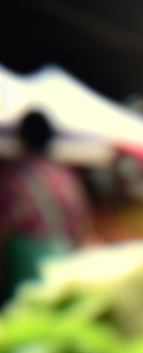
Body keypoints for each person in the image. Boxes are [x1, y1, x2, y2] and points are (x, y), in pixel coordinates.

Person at [0, 111, 92, 301]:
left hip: (24, 268)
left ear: (22, 139)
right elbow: (82, 226)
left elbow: (4, 227)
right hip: (62, 258)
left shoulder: (14, 177)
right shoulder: (66, 177)